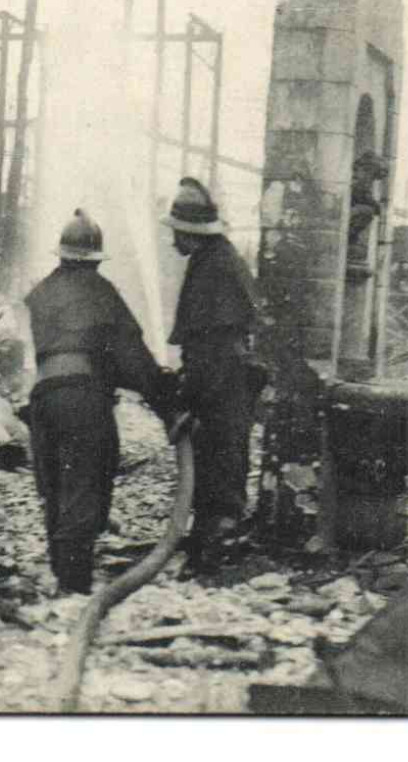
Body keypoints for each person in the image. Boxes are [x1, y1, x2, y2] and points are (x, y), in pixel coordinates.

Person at [23, 209, 163, 594]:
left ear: (62, 254)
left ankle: (60, 573)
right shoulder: (101, 293)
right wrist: (165, 399)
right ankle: (75, 587)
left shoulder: (41, 293)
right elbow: (131, 357)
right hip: (83, 399)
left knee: (54, 486)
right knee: (83, 483)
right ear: (95, 259)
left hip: (43, 397)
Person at [162, 177, 258, 575]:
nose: (173, 242)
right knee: (220, 464)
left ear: (191, 233)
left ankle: (213, 556)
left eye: (177, 234)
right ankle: (208, 548)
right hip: (225, 382)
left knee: (219, 468)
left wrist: (187, 398)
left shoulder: (213, 268)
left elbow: (210, 347)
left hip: (221, 385)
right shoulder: (217, 260)